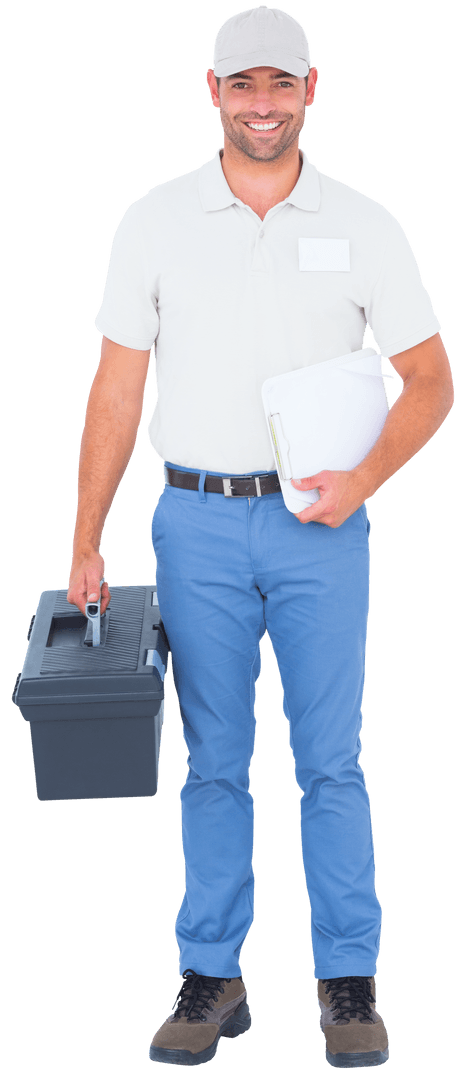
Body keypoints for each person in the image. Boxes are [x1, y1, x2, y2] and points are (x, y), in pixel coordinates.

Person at [67, 5, 454, 1070]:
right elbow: (116, 388)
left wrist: (361, 480)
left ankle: (347, 978)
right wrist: (86, 540)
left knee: (332, 763)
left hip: (319, 528)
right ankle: (213, 972)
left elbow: (430, 380)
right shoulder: (155, 220)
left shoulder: (365, 224)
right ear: (214, 92)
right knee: (214, 766)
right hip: (194, 524)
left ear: (311, 90)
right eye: (244, 85)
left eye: (282, 83)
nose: (263, 104)